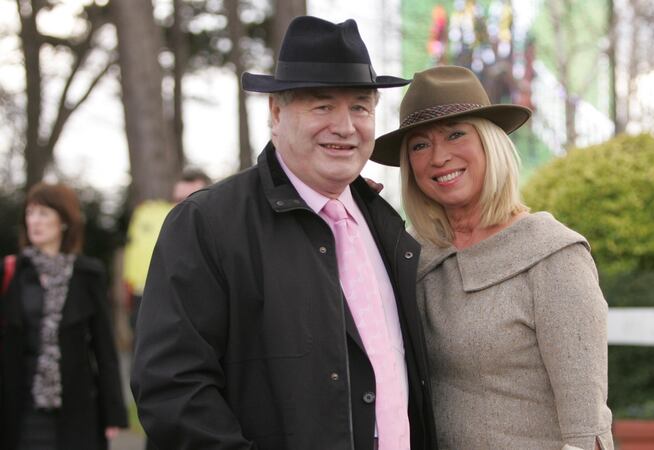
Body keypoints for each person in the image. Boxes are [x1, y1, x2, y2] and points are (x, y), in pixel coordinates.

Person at [130, 16, 437, 450]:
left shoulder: (385, 224)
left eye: (360, 107)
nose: (346, 126)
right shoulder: (208, 224)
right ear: (276, 113)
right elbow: (172, 390)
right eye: (322, 105)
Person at [371, 65, 614, 450]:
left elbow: (587, 431)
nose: (439, 157)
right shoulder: (412, 257)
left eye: (455, 135)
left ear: (490, 143)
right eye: (419, 145)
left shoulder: (552, 255)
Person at [0, 182, 129, 450]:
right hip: (19, 406)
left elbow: (104, 348)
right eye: (30, 213)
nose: (34, 221)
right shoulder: (12, 272)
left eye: (44, 214)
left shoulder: (87, 274)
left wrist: (113, 411)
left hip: (76, 408)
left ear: (64, 222)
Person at [122, 168, 212, 331]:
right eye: (177, 199)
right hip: (145, 298)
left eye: (192, 198)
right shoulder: (150, 215)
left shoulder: (218, 230)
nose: (183, 206)